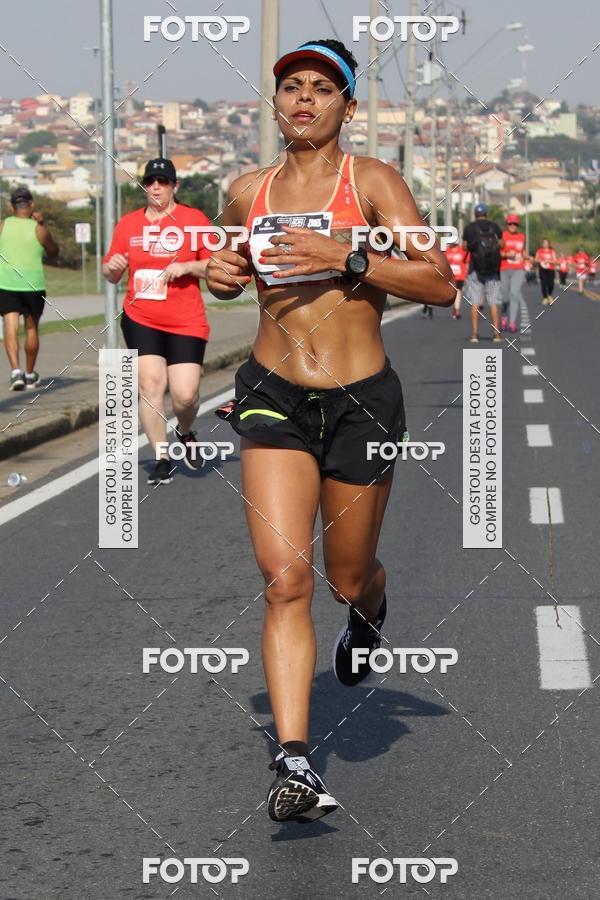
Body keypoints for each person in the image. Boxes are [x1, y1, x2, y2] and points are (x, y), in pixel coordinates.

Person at [206, 38, 455, 824]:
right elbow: (227, 264)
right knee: (285, 578)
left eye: (321, 88)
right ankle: (294, 763)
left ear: (349, 106)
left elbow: (438, 282)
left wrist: (345, 253)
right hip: (275, 393)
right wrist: (222, 274)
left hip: (362, 401)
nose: (303, 99)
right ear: (275, 104)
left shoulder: (372, 182)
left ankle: (369, 605)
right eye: (291, 88)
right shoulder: (247, 191)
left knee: (346, 576)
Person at [103, 158, 213, 485]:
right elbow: (110, 273)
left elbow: (216, 264)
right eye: (150, 181)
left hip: (186, 320)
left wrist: (188, 268)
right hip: (141, 317)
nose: (155, 187)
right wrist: (113, 267)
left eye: (162, 182)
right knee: (151, 385)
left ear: (174, 186)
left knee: (185, 394)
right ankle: (161, 456)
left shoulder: (194, 220)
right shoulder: (129, 225)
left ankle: (185, 430)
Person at [0, 186, 58, 390]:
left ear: (11, 206)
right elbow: (53, 252)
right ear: (31, 205)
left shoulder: (3, 225)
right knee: (31, 327)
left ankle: (16, 373)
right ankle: (30, 374)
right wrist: (42, 224)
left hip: (6, 282)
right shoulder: (39, 229)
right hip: (33, 285)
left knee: (10, 324)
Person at [462, 202, 504, 343]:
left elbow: (465, 248)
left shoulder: (469, 228)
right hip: (493, 270)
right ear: (487, 214)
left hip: (475, 269)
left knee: (474, 302)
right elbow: (502, 244)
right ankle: (496, 335)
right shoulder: (494, 226)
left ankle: (474, 334)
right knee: (494, 302)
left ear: (475, 214)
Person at [499, 213, 526, 333]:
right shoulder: (502, 236)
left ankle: (512, 322)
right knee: (505, 296)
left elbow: (523, 252)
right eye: (510, 223)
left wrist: (529, 257)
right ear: (507, 224)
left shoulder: (522, 236)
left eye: (515, 224)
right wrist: (506, 254)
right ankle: (504, 317)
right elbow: (497, 253)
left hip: (518, 269)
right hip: (504, 268)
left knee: (514, 294)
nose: (513, 226)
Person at [445, 239, 467, 319]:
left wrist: (467, 276)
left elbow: (467, 262)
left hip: (460, 276)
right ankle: (455, 307)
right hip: (449, 276)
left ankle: (457, 310)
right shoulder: (446, 251)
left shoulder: (463, 250)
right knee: (452, 292)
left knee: (458, 291)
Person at [534, 239, 557, 305]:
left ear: (549, 244)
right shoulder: (539, 251)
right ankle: (545, 298)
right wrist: (540, 260)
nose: (545, 244)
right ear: (542, 244)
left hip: (550, 268)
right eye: (544, 243)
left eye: (547, 243)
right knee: (543, 283)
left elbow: (555, 261)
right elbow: (536, 259)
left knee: (551, 283)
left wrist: (549, 261)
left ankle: (549, 295)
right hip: (542, 269)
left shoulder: (552, 251)